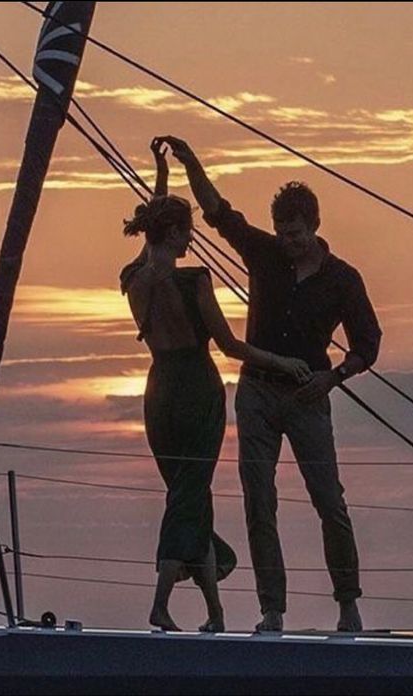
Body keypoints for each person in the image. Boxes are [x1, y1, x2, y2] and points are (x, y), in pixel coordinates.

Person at [162, 135, 382, 633]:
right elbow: (218, 212)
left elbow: (368, 343)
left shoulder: (343, 279)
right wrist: (190, 159)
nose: (289, 241)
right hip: (258, 392)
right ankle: (272, 610)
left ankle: (348, 604)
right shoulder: (262, 253)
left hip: (309, 397)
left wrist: (333, 378)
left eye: (297, 233)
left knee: (330, 500)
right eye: (283, 232)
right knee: (259, 501)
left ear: (315, 226)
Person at [120, 138, 312, 633]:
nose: (191, 241)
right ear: (178, 232)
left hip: (157, 393)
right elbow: (231, 346)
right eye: (186, 233)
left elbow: (154, 235)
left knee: (190, 495)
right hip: (195, 391)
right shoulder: (194, 282)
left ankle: (215, 613)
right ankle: (160, 604)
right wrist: (284, 362)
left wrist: (163, 174)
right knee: (187, 495)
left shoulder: (135, 278)